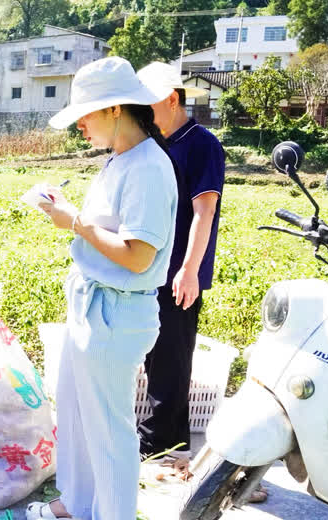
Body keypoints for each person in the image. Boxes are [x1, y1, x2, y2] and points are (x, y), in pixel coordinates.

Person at [25, 57, 177, 520]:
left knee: (110, 432)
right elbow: (104, 230)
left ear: (115, 109)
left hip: (116, 313)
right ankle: (77, 503)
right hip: (94, 303)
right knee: (74, 414)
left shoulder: (149, 167)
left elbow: (137, 255)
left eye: (85, 116)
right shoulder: (120, 159)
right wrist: (69, 212)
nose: (81, 127)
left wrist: (74, 221)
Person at [135, 62, 225, 461]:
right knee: (157, 359)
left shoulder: (201, 144)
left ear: (172, 99)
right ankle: (170, 445)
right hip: (149, 269)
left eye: (147, 103)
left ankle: (156, 443)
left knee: (171, 359)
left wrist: (189, 270)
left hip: (178, 273)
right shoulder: (154, 144)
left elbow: (204, 212)